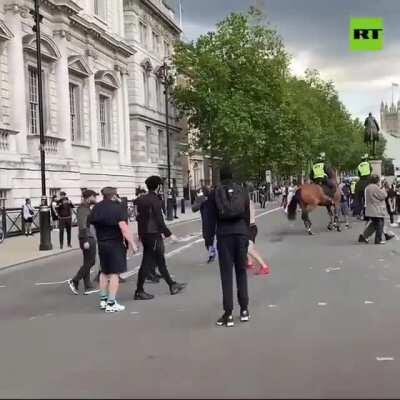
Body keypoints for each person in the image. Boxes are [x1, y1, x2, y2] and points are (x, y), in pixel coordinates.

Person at [207, 165, 251, 327]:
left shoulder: (215, 193)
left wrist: (209, 241)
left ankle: (228, 313)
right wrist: (248, 236)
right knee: (241, 271)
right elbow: (247, 214)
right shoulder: (242, 191)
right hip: (241, 233)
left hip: (224, 235)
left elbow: (210, 220)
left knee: (226, 275)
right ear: (233, 176)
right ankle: (244, 309)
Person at [134, 175, 186, 300]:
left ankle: (172, 285)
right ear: (158, 186)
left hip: (145, 234)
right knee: (149, 262)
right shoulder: (155, 200)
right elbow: (159, 219)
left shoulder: (140, 200)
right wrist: (169, 234)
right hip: (153, 234)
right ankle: (139, 291)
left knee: (158, 261)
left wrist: (140, 234)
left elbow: (138, 218)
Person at [89, 187, 139, 313]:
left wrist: (97, 239)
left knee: (104, 272)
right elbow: (123, 227)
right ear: (113, 196)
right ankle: (111, 303)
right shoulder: (118, 208)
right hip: (115, 243)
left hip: (102, 243)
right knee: (115, 273)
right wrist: (132, 243)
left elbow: (91, 225)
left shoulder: (97, 207)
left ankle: (103, 300)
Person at [68, 190, 99, 295]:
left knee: (87, 262)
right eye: (94, 197)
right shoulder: (83, 209)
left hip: (88, 237)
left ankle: (88, 286)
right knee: (91, 262)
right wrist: (85, 240)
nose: (96, 199)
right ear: (89, 197)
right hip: (87, 238)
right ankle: (75, 280)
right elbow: (82, 225)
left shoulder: (86, 208)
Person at [358, 175, 387, 245]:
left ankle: (364, 236)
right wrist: (383, 189)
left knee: (374, 224)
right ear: (376, 181)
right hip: (376, 209)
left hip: (369, 209)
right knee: (380, 223)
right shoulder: (375, 187)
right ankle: (378, 240)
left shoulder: (367, 187)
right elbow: (383, 196)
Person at [192, 185, 217, 263]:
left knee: (224, 240)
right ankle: (212, 253)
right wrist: (201, 201)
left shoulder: (213, 197)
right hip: (206, 222)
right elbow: (194, 208)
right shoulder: (201, 199)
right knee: (207, 240)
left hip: (216, 221)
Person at [247, 196, 271, 275]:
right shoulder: (247, 201)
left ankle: (264, 266)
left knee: (249, 249)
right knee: (243, 246)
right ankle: (249, 262)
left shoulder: (245, 202)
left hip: (250, 228)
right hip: (250, 227)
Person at [354, 154, 372, 219]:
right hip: (367, 179)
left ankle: (357, 213)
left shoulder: (359, 165)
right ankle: (367, 214)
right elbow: (371, 170)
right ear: (365, 159)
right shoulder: (368, 164)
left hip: (361, 180)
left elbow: (358, 173)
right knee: (367, 200)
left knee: (358, 200)